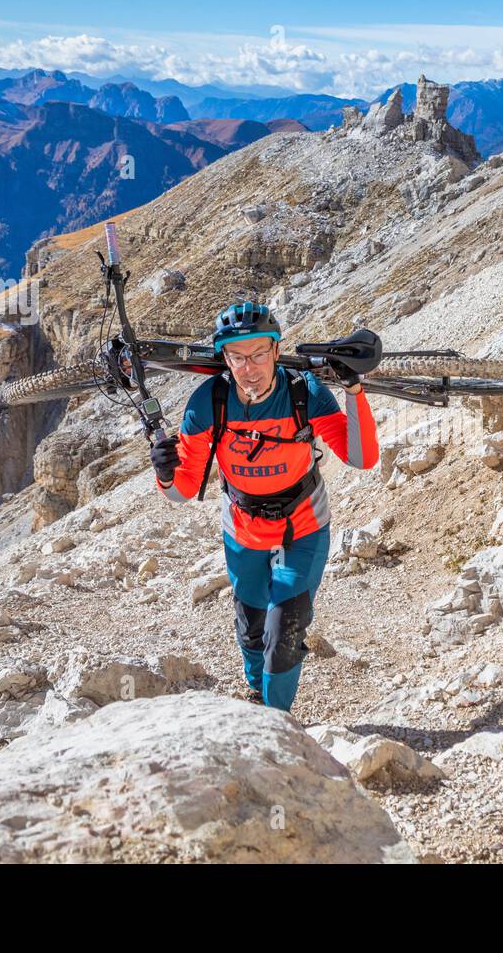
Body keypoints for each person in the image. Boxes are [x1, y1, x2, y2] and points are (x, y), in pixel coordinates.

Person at [149, 302, 379, 712]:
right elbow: (181, 492)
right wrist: (165, 472)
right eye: (237, 357)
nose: (249, 367)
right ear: (225, 359)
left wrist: (354, 391)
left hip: (303, 524)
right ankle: (256, 693)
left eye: (258, 354)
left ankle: (277, 721)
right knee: (251, 625)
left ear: (276, 351)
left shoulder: (303, 393)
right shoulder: (209, 402)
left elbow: (361, 458)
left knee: (285, 630)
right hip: (242, 529)